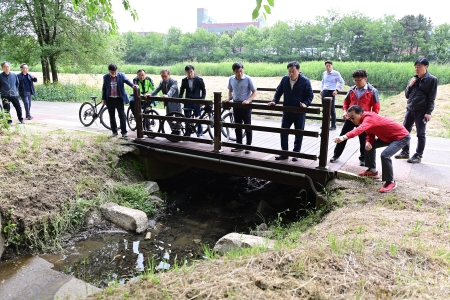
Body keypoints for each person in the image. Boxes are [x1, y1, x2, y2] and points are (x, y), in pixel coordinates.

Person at [334, 105, 410, 193]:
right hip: (388, 137)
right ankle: (372, 170)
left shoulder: (369, 118)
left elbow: (359, 130)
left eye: (353, 117)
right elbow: (370, 134)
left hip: (401, 137)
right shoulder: (364, 120)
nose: (352, 120)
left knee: (385, 155)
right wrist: (368, 142)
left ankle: (391, 182)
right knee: (369, 146)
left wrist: (344, 137)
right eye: (350, 119)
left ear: (360, 114)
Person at [330, 69, 380, 166]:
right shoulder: (352, 89)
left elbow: (376, 107)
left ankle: (363, 158)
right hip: (351, 118)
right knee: (343, 135)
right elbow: (346, 102)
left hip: (364, 119)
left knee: (363, 139)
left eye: (359, 80)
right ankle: (336, 155)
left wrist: (370, 120)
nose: (357, 82)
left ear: (365, 79)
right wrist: (345, 111)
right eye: (355, 80)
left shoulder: (372, 91)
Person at [394, 58, 438, 164]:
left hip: (422, 111)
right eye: (416, 67)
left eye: (419, 66)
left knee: (420, 134)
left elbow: (432, 97)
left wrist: (429, 112)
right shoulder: (413, 79)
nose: (417, 69)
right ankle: (405, 152)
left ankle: (418, 155)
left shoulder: (432, 80)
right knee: (404, 131)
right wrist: (410, 85)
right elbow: (407, 95)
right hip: (410, 109)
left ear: (426, 67)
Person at [268, 61, 313, 161]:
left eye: (293, 71)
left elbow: (310, 95)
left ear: (298, 70)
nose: (291, 74)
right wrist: (274, 101)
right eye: (289, 72)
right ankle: (284, 153)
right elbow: (278, 91)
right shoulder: (285, 79)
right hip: (287, 111)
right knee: (283, 132)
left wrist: (305, 103)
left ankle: (296, 153)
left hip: (299, 112)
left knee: (298, 133)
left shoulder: (305, 81)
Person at [223, 62, 257, 153]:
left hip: (245, 105)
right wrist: (228, 98)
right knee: (237, 125)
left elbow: (254, 92)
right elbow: (230, 90)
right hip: (236, 104)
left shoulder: (248, 79)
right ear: (234, 71)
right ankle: (239, 145)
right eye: (237, 71)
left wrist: (248, 100)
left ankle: (248, 146)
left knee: (247, 126)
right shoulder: (231, 79)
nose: (240, 73)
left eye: (241, 71)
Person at [101, 63, 135, 137]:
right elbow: (104, 88)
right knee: (112, 116)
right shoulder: (106, 77)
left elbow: (127, 81)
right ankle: (114, 131)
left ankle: (124, 132)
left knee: (122, 115)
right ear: (109, 71)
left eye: (115, 72)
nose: (113, 73)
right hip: (110, 99)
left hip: (119, 99)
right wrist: (103, 98)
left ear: (117, 70)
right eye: (112, 72)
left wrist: (133, 86)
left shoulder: (121, 75)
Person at [179, 65, 206, 136]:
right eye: (188, 72)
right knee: (187, 117)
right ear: (186, 72)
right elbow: (182, 90)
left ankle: (200, 131)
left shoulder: (199, 80)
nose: (190, 74)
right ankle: (188, 131)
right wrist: (180, 98)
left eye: (191, 72)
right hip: (187, 101)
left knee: (198, 116)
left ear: (194, 71)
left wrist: (202, 100)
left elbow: (203, 90)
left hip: (197, 101)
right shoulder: (184, 80)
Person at [320, 60, 345, 130]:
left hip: (331, 92)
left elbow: (342, 82)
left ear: (332, 66)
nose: (328, 67)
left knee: (331, 109)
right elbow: (323, 82)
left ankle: (333, 125)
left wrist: (337, 90)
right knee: (324, 109)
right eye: (327, 66)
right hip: (324, 91)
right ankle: (325, 124)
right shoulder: (324, 73)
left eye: (329, 66)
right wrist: (321, 90)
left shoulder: (336, 73)